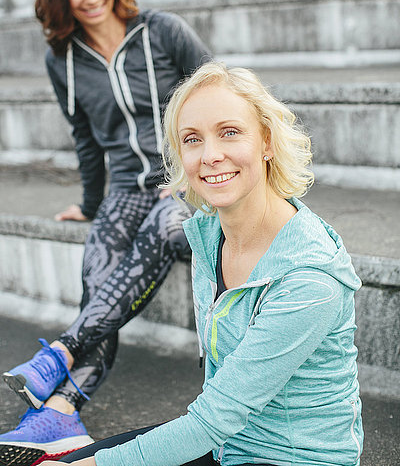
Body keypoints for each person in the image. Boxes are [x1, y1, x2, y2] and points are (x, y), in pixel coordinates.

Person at [41, 62, 364, 466]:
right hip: (228, 443)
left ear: (266, 141)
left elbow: (212, 420)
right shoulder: (209, 234)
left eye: (229, 132)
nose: (210, 156)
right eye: (192, 139)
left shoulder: (310, 276)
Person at [0, 0, 211, 465]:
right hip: (123, 191)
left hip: (182, 183)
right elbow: (86, 140)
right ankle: (63, 413)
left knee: (166, 228)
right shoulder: (64, 60)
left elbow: (219, 94)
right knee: (100, 275)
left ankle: (59, 366)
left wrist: (194, 172)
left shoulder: (161, 31)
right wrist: (91, 203)